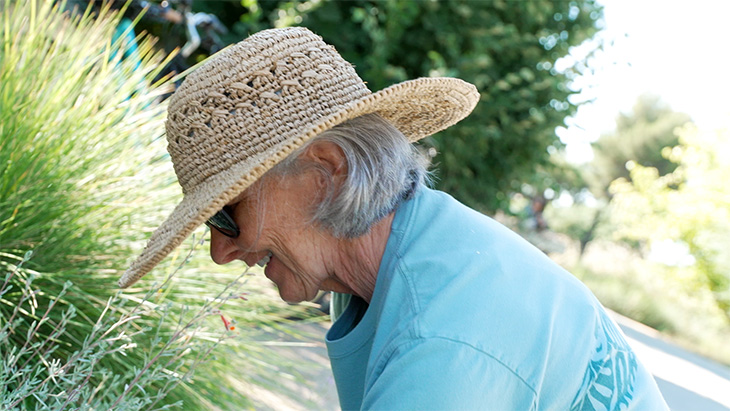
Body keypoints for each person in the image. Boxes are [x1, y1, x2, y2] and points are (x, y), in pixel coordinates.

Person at [120, 27, 668, 410]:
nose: (221, 251)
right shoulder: (425, 252)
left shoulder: (443, 338)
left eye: (225, 213)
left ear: (326, 173)